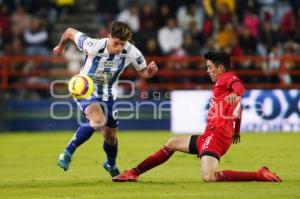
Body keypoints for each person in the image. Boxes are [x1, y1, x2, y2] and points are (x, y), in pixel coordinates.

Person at [113, 51, 282, 182]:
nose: (207, 70)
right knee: (172, 143)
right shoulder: (222, 85)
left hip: (217, 136)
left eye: (210, 67)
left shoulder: (226, 77)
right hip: (210, 135)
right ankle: (133, 173)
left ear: (220, 68)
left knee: (209, 177)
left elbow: (239, 88)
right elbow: (240, 107)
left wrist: (237, 95)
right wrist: (236, 130)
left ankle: (259, 174)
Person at [53, 21, 158, 177]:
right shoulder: (93, 45)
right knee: (98, 120)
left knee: (110, 136)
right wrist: (60, 47)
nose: (118, 48)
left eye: (122, 44)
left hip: (108, 95)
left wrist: (149, 72)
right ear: (108, 36)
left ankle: (110, 163)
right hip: (85, 89)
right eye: (116, 43)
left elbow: (143, 72)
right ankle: (67, 153)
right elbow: (69, 31)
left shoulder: (131, 51)